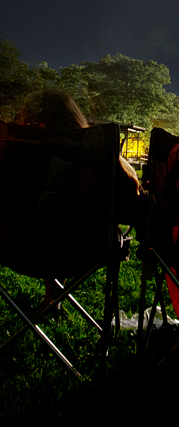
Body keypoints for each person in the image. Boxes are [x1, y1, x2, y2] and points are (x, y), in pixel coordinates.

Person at [16, 89, 142, 312]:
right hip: (86, 249)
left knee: (50, 222)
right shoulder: (98, 157)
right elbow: (132, 206)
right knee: (64, 226)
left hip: (19, 247)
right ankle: (55, 298)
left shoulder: (18, 152)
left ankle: (52, 297)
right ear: (75, 116)